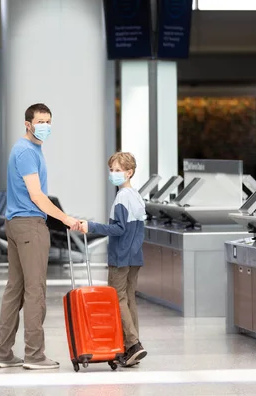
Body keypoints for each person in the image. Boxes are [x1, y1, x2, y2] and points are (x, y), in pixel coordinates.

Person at [0, 103, 80, 370]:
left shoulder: (29, 149)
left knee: (15, 289)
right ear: (27, 124)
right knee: (35, 290)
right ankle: (34, 355)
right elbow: (37, 195)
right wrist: (65, 219)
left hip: (16, 224)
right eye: (40, 121)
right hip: (30, 225)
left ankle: (3, 354)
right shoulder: (27, 152)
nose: (45, 126)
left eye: (48, 121)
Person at [79, 152, 148, 367]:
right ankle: (132, 347)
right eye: (111, 170)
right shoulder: (136, 195)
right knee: (128, 298)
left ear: (129, 172)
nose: (113, 174)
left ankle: (133, 344)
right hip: (135, 255)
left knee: (117, 298)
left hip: (121, 256)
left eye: (118, 170)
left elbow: (119, 229)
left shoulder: (122, 197)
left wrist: (91, 227)